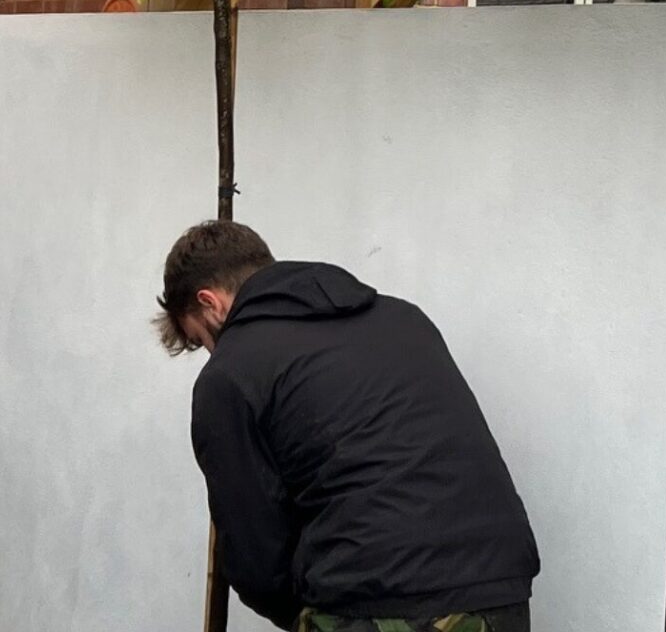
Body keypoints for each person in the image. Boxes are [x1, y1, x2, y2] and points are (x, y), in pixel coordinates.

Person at [158, 221, 537, 632]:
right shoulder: (403, 318)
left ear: (210, 302)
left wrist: (312, 613)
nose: (212, 351)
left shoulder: (230, 373)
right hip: (500, 590)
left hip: (376, 599)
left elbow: (256, 559)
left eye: (200, 340)